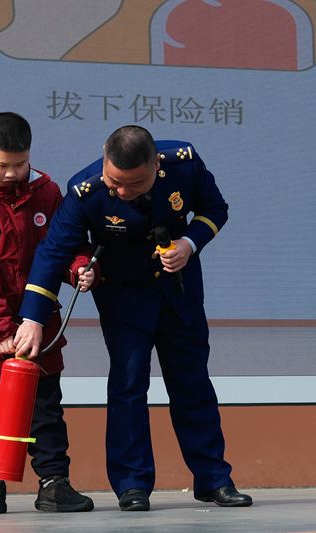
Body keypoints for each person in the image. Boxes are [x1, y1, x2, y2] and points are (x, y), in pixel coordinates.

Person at [14, 125, 252, 511]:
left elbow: (214, 209)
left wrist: (188, 244)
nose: (123, 191)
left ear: (156, 164)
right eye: (115, 182)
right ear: (104, 158)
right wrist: (33, 319)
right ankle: (132, 485)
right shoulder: (84, 190)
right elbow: (53, 251)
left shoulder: (184, 163)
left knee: (193, 384)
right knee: (128, 387)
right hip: (124, 298)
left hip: (179, 293)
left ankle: (214, 479)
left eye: (135, 184)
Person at [0, 112, 98, 514]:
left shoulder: (48, 193)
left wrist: (80, 268)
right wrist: (0, 331)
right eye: (3, 165)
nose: (13, 173)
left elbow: (66, 244)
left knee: (46, 410)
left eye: (21, 163)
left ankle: (53, 484)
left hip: (41, 329)